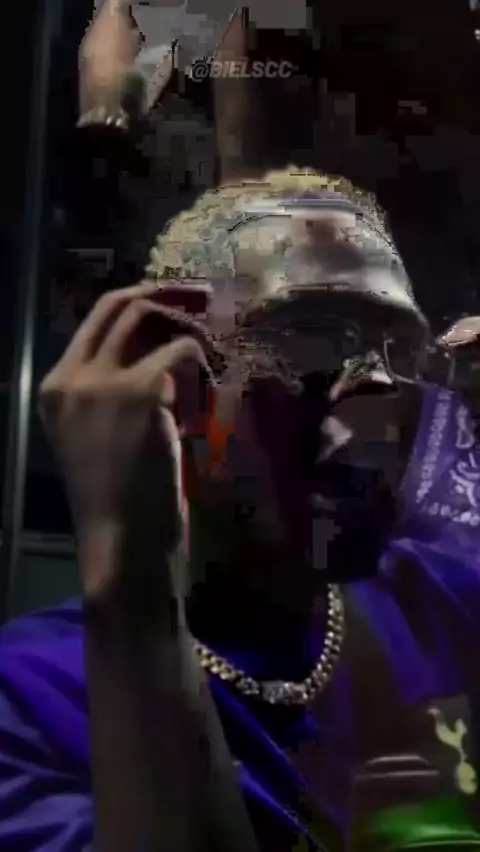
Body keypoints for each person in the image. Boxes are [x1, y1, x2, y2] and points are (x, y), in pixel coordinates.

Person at [1, 2, 480, 851]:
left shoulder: (442, 595)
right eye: (312, 339)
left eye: (397, 348)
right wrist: (133, 581)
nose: (373, 388)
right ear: (168, 377)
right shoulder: (33, 696)